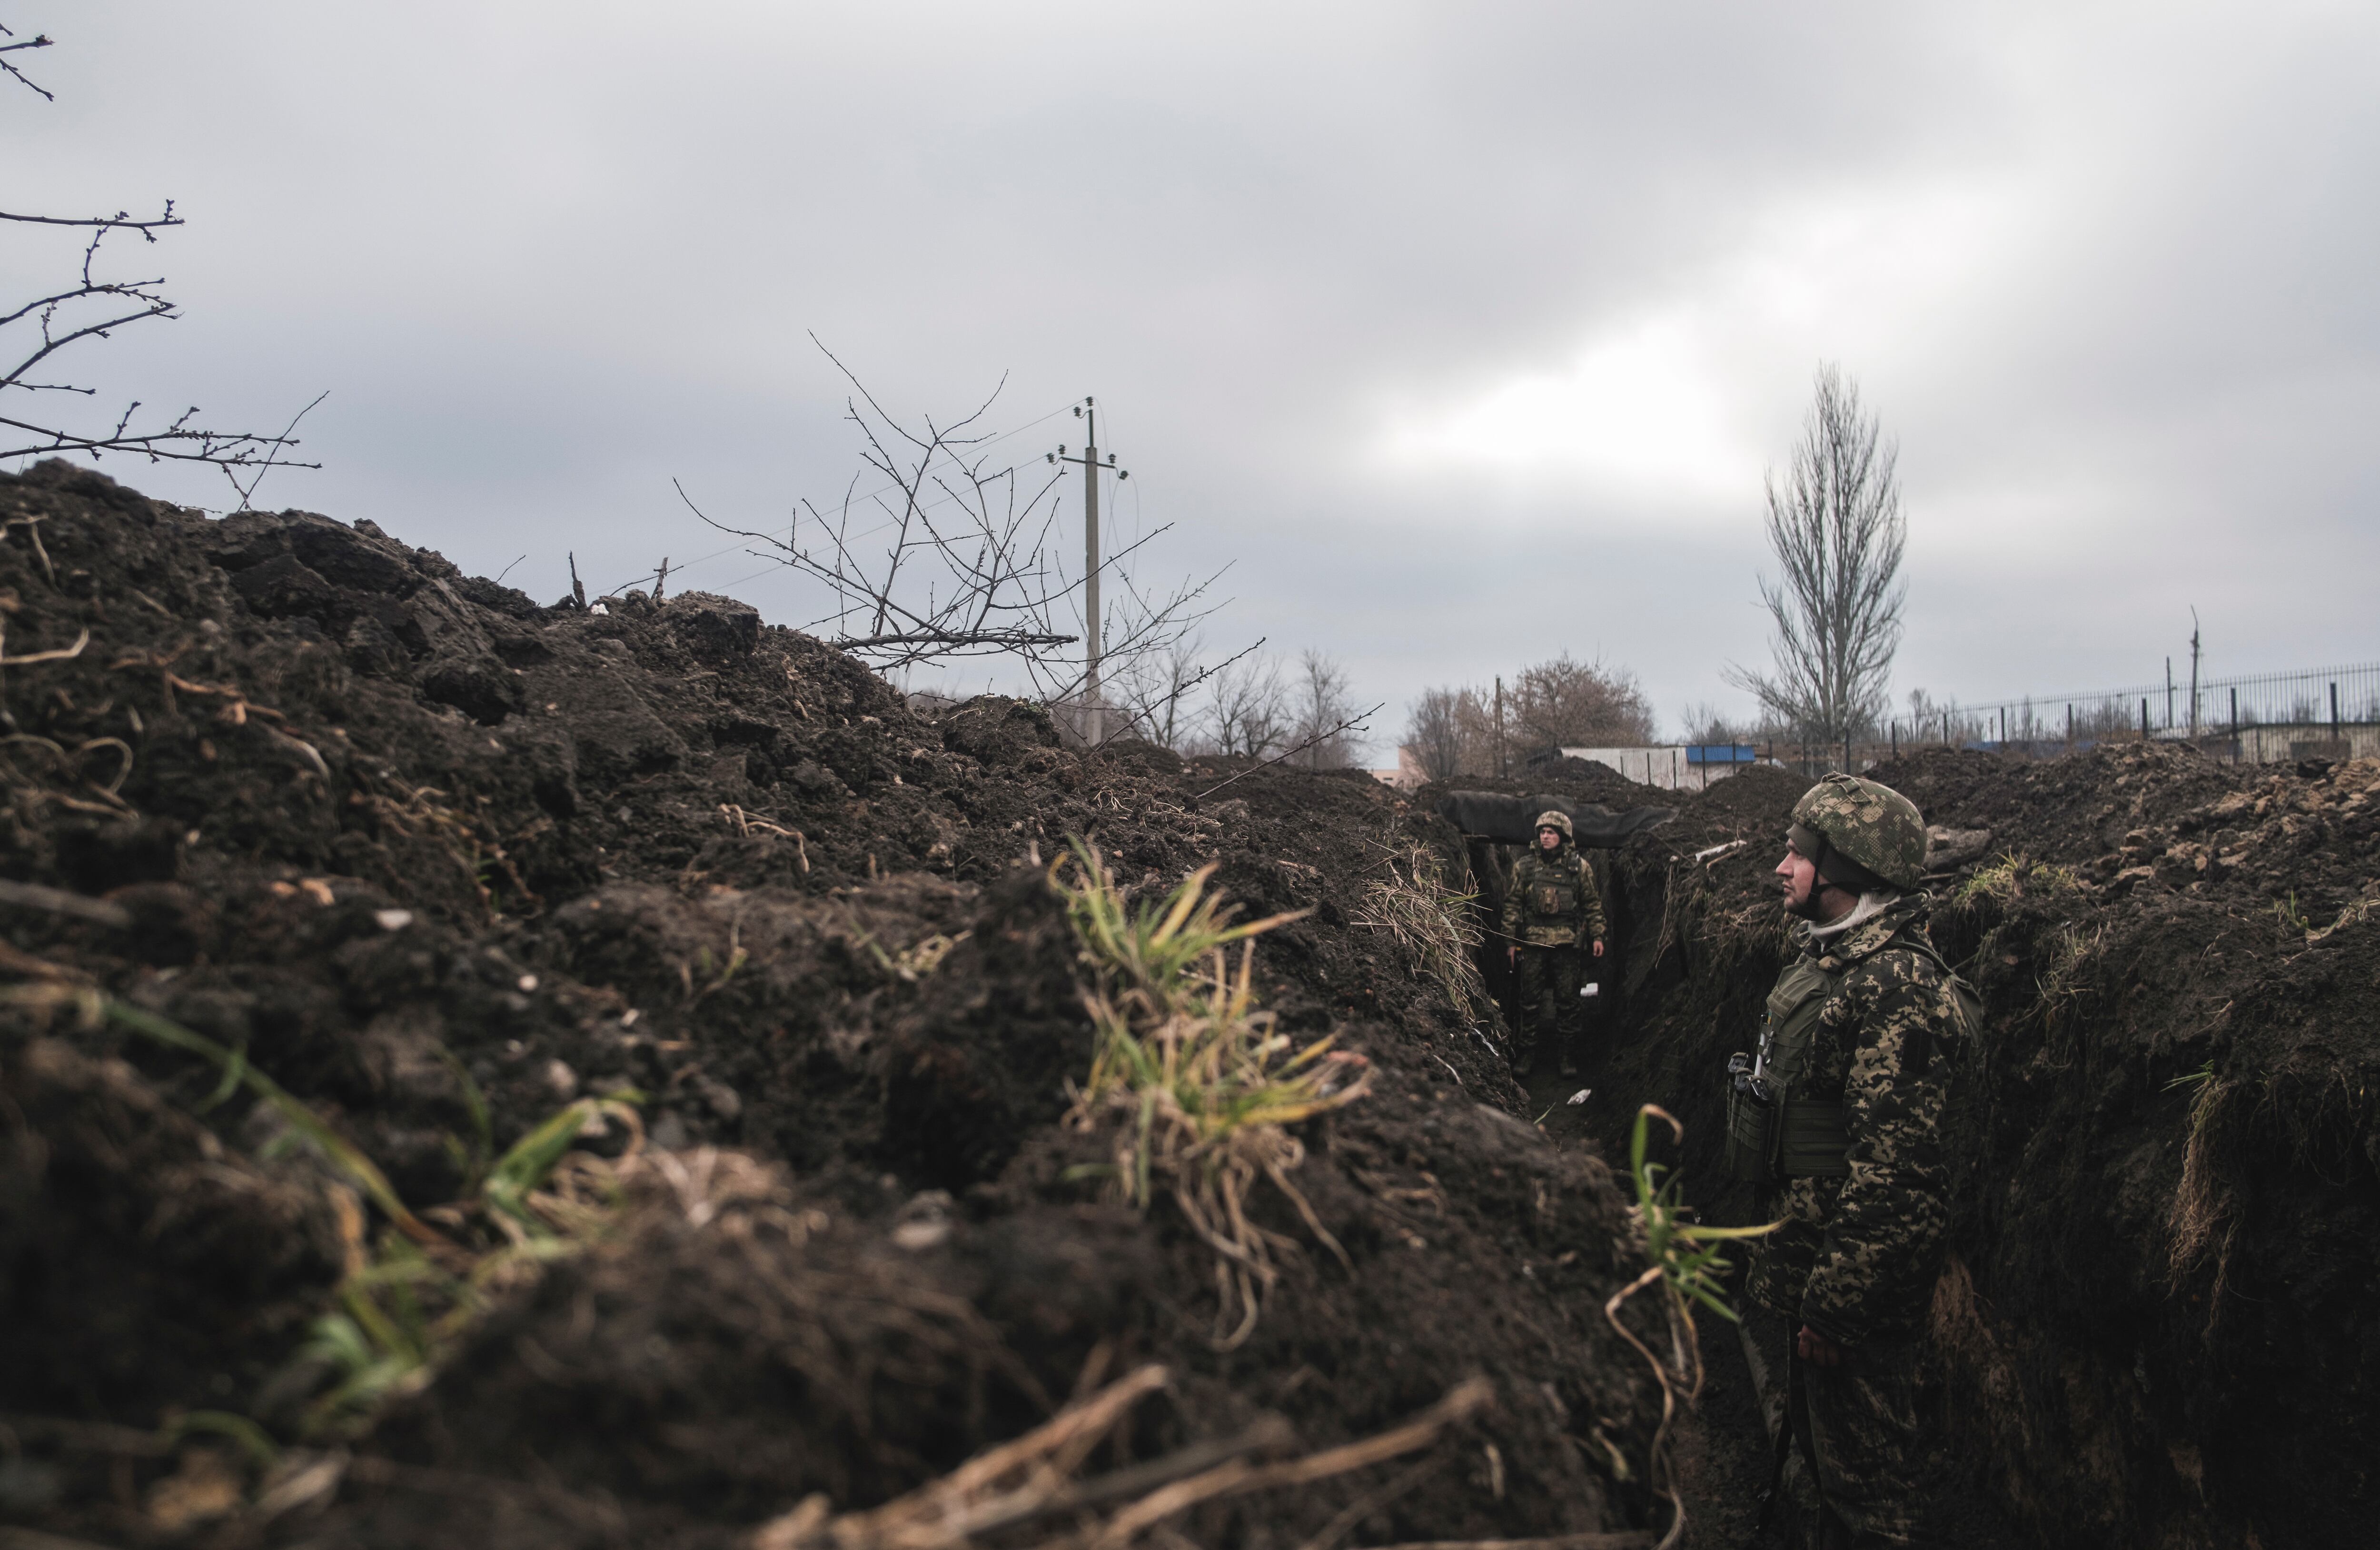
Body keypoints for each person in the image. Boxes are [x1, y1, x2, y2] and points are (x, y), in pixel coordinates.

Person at [1740, 772, 1966, 1549]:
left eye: (1797, 853)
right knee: (1824, 1466)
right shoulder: (1834, 964)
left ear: (1847, 868)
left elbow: (1898, 1172)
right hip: (1814, 1270)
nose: (1781, 867)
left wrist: (1839, 1302)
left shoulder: (1898, 987)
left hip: (1852, 1301)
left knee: (1869, 1492)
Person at [1498, 809, 1606, 1077]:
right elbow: (1512, 905)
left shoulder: (1579, 868)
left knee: (1568, 1003)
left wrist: (1598, 935)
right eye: (1542, 832)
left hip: (1567, 946)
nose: (1545, 837)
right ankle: (1526, 1054)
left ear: (1563, 836)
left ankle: (1567, 1055)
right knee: (1529, 1002)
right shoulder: (1525, 867)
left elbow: (1592, 904)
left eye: (1551, 833)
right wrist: (1511, 942)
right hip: (1534, 945)